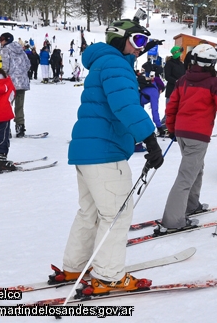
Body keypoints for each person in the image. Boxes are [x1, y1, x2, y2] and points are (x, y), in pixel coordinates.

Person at [57, 17, 164, 296]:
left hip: (86, 151)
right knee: (116, 214)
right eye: (137, 41)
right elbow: (125, 105)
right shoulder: (116, 64)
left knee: (90, 212)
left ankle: (74, 266)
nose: (141, 49)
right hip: (105, 152)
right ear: (120, 40)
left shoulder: (103, 62)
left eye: (145, 42)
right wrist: (150, 140)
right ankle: (108, 275)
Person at [158, 44, 217, 233]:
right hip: (197, 136)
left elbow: (171, 106)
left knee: (196, 169)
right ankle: (173, 220)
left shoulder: (183, 80)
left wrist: (172, 128)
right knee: (186, 176)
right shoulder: (214, 83)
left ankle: (191, 205)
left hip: (183, 133)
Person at [0, 32, 31, 138]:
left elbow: (4, 67)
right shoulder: (21, 50)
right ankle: (20, 127)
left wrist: (1, 78)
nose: (0, 41)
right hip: (22, 83)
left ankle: (5, 128)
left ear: (7, 40)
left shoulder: (5, 50)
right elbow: (28, 64)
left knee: (6, 105)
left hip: (10, 83)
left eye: (2, 39)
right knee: (20, 106)